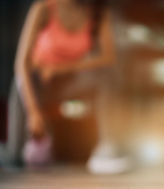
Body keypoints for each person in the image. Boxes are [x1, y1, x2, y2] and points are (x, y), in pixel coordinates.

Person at [0, 0, 132, 174]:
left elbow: (107, 58)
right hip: (39, 83)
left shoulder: (98, 12)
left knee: (107, 76)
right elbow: (22, 63)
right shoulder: (43, 9)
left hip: (70, 82)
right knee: (14, 157)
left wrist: (61, 68)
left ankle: (106, 149)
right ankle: (12, 151)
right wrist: (33, 113)